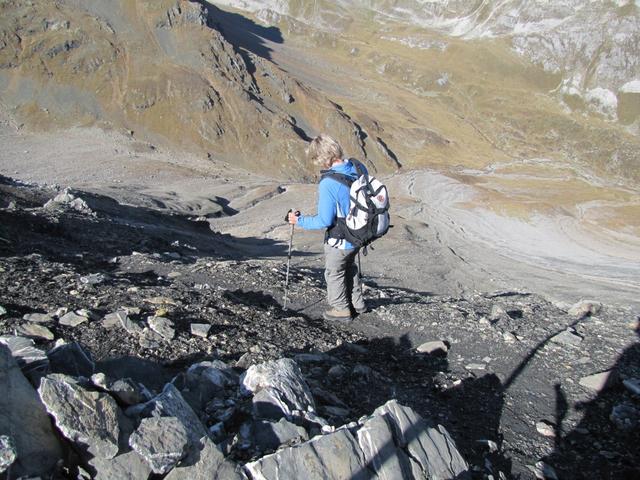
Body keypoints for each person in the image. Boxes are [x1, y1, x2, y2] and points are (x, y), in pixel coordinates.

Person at [288, 134, 367, 321]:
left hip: (340, 238)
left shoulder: (329, 183)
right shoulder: (358, 167)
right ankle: (358, 303)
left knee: (335, 272)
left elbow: (324, 220)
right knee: (349, 266)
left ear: (322, 157)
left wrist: (298, 220)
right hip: (359, 233)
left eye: (316, 159)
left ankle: (341, 309)